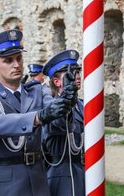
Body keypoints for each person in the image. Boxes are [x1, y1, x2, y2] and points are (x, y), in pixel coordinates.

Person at [0, 29, 77, 196]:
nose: (16, 64)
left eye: (19, 58)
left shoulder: (37, 92)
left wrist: (66, 101)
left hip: (37, 180)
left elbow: (58, 124)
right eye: (8, 60)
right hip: (5, 183)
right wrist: (38, 117)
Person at [41, 49, 84, 196]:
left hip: (83, 170)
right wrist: (66, 99)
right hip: (62, 173)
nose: (77, 76)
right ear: (57, 81)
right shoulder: (50, 107)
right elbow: (60, 122)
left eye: (78, 71)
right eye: (71, 73)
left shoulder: (83, 105)